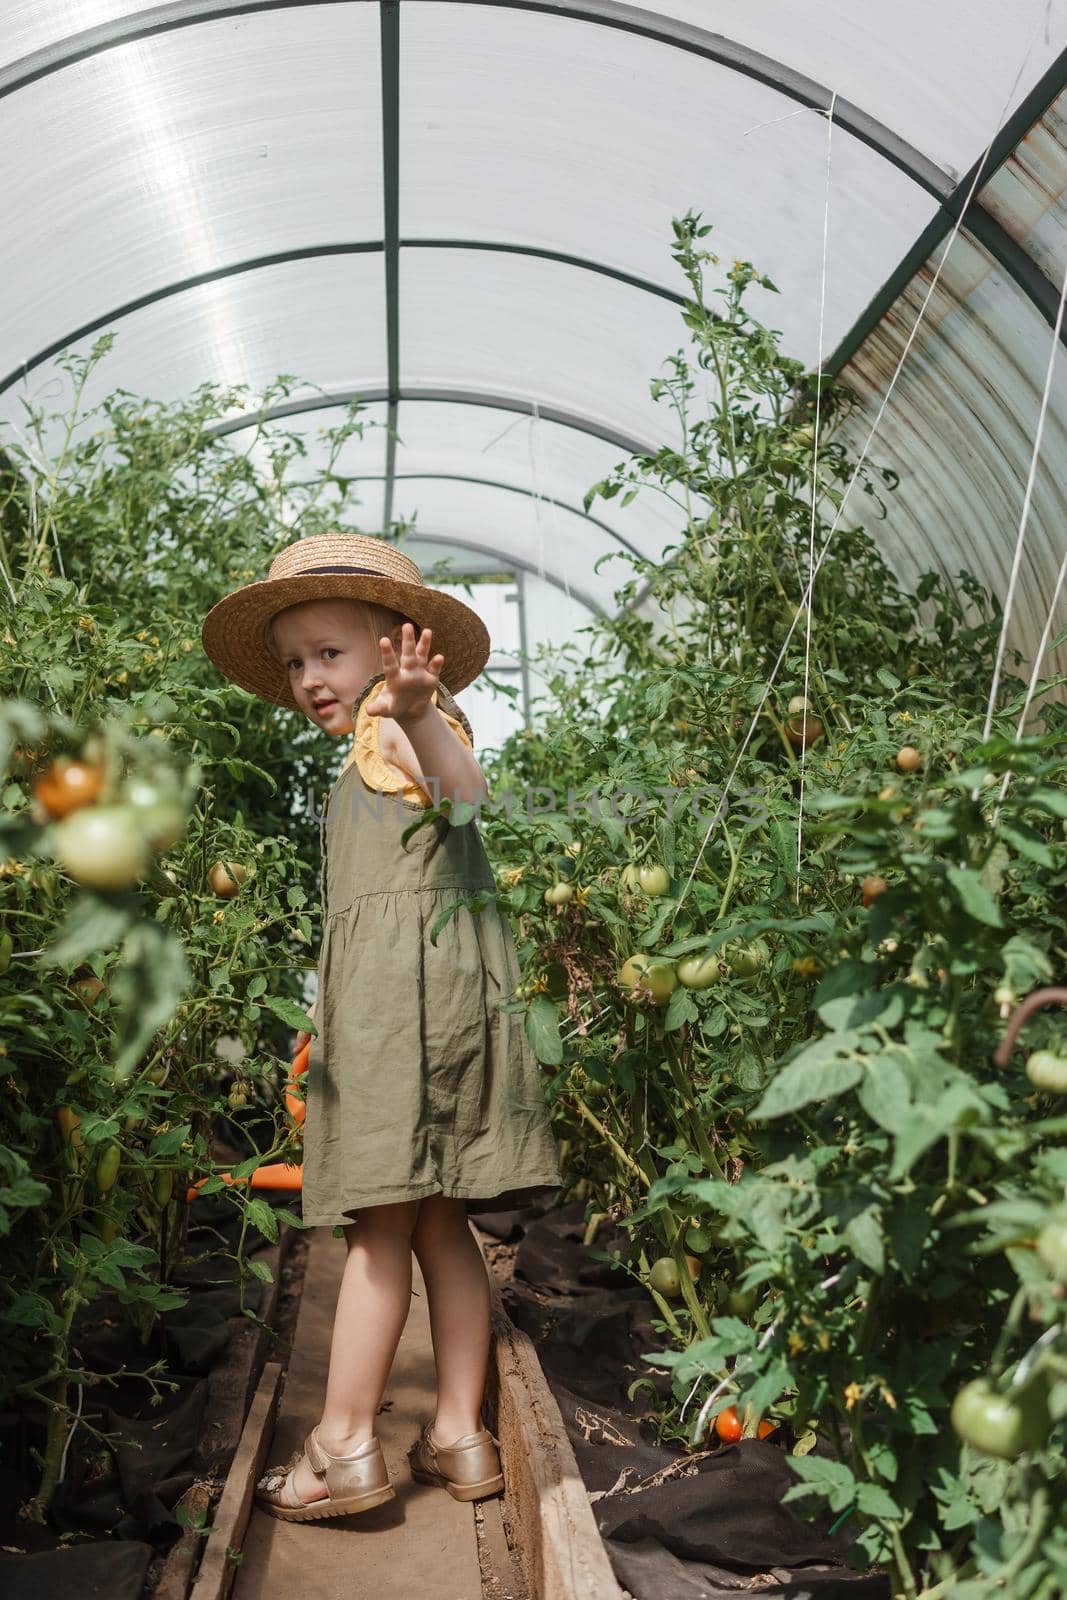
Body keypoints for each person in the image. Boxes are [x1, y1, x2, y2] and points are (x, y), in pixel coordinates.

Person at [200, 533, 562, 1523]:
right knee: (440, 1221)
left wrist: (410, 709)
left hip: (410, 1009)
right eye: (293, 661)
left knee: (375, 1227)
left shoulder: (398, 722)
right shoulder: (379, 732)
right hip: (426, 996)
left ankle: (344, 1440)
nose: (309, 676)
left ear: (394, 647)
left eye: (328, 651)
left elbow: (464, 791)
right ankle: (455, 1430)